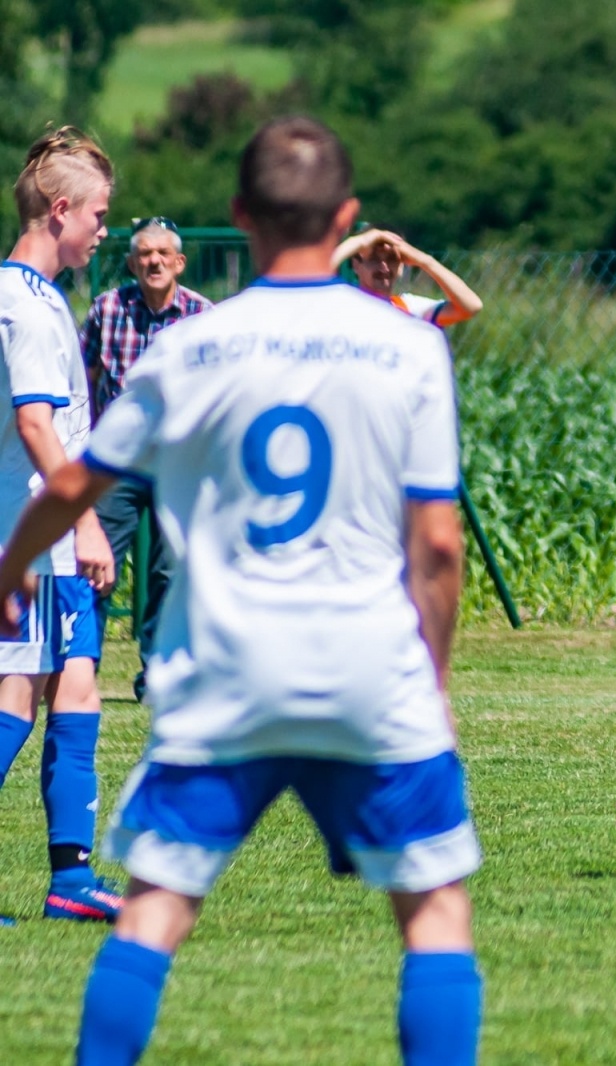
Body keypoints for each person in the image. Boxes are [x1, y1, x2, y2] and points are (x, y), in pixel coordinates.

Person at [0, 116, 483, 1063]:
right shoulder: (406, 349)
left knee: (152, 912)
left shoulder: (194, 346)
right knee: (433, 913)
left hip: (225, 671)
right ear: (344, 214)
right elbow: (437, 545)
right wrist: (430, 679)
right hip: (367, 668)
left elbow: (72, 482)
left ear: (237, 215)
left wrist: (11, 566)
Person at [0, 127, 121, 927]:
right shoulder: (23, 303)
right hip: (32, 532)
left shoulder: (42, 297)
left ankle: (70, 879)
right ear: (60, 208)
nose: (104, 231)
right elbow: (39, 427)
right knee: (15, 690)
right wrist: (84, 523)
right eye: (100, 216)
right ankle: (70, 878)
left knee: (72, 682)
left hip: (44, 532)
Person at [81, 216, 212, 701]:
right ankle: (79, 668)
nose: (153, 262)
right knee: (94, 565)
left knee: (169, 573)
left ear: (179, 262)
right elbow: (83, 376)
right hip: (116, 461)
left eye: (163, 254)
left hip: (178, 460)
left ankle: (156, 677)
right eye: (144, 254)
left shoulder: (203, 315)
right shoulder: (107, 309)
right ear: (132, 262)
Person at [334, 226, 483, 328]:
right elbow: (310, 276)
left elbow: (471, 306)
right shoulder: (340, 304)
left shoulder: (410, 307)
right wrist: (358, 242)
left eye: (391, 259)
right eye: (374, 259)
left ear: (401, 265)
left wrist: (425, 261)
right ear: (355, 264)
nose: (384, 267)